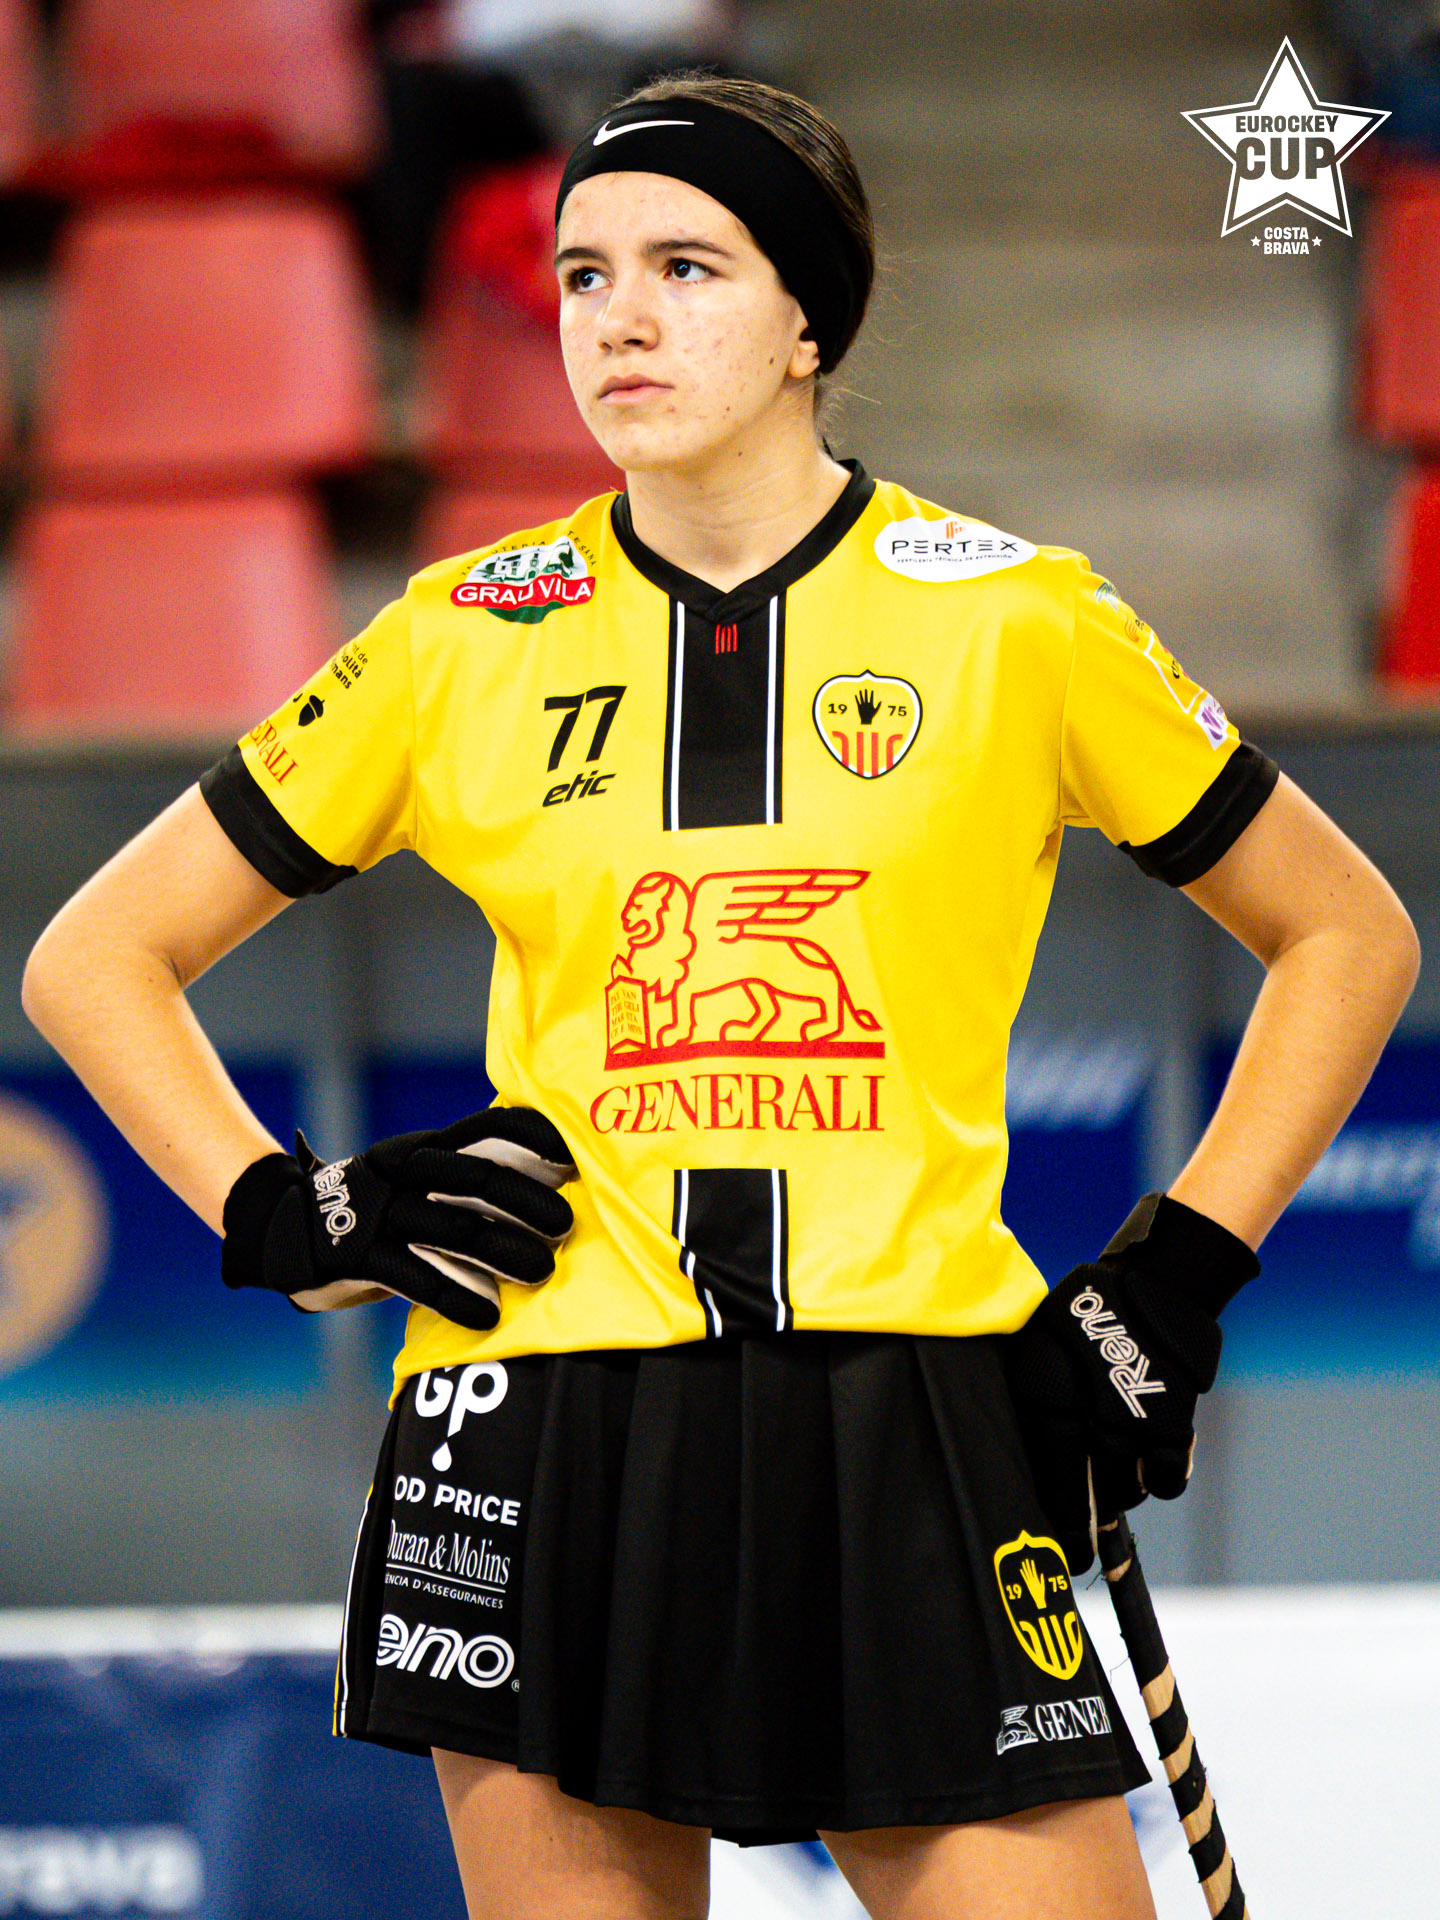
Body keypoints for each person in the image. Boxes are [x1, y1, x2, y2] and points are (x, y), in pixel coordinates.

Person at [22, 70, 1419, 1920]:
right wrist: (290, 1207)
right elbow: (94, 957)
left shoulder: (1022, 618)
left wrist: (1178, 1272)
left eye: (687, 267)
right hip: (538, 1422)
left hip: (916, 1409)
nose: (619, 317)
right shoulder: (455, 638)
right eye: (582, 274)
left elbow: (1348, 936)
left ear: (806, 325)